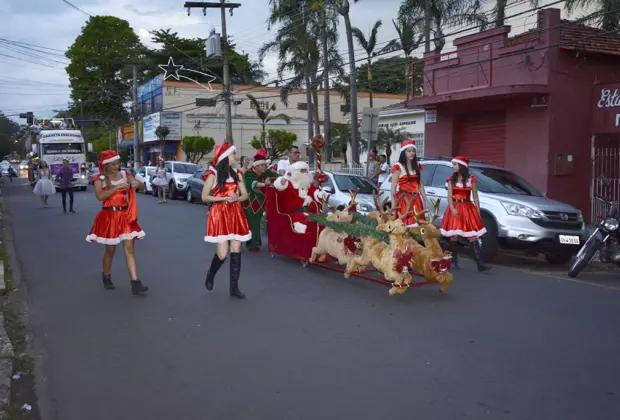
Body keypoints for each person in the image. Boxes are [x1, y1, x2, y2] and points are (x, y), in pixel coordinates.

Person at [85, 150, 148, 295]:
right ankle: (106, 276)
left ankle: (135, 283)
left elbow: (141, 186)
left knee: (129, 249)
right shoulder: (99, 178)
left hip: (125, 215)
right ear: (106, 165)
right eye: (113, 164)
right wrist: (117, 187)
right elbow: (100, 196)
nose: (117, 166)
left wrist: (135, 183)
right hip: (109, 216)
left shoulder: (125, 174)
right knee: (110, 249)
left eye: (118, 163)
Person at [202, 143, 250, 299]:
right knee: (222, 254)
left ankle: (234, 288)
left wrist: (237, 198)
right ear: (226, 156)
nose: (236, 156)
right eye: (233, 153)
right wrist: (223, 199)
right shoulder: (213, 174)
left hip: (235, 212)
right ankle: (211, 274)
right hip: (220, 213)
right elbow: (205, 196)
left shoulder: (238, 173)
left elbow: (245, 195)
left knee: (236, 248)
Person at [440, 156, 490, 272]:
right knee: (454, 235)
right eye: (453, 165)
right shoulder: (450, 180)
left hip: (468, 208)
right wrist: (452, 208)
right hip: (455, 207)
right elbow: (449, 197)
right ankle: (454, 262)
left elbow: (476, 197)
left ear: (462, 166)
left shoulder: (471, 179)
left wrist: (477, 211)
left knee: (472, 236)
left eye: (455, 165)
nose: (453, 167)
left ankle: (480, 264)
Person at [242, 149, 279, 252]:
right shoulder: (248, 173)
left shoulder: (265, 172)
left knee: (255, 223)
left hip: (261, 203)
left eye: (264, 165)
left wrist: (286, 177)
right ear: (256, 166)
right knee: (248, 223)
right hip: (249, 203)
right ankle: (246, 242)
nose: (264, 167)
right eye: (262, 165)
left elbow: (276, 176)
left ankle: (254, 242)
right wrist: (264, 184)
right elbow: (252, 183)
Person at [273, 161, 324, 234]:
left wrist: (319, 194)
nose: (305, 173)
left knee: (324, 219)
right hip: (295, 212)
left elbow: (314, 191)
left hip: (310, 211)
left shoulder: (307, 184)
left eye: (306, 171)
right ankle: (302, 240)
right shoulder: (290, 184)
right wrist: (285, 177)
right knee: (301, 223)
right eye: (302, 171)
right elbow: (279, 186)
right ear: (296, 172)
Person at [391, 140, 429, 227]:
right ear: (403, 152)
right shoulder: (398, 166)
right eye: (409, 151)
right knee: (404, 227)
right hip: (403, 200)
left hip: (416, 200)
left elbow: (420, 185)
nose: (411, 153)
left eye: (413, 151)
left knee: (418, 226)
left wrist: (425, 200)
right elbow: (393, 188)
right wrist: (393, 207)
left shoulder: (417, 165)